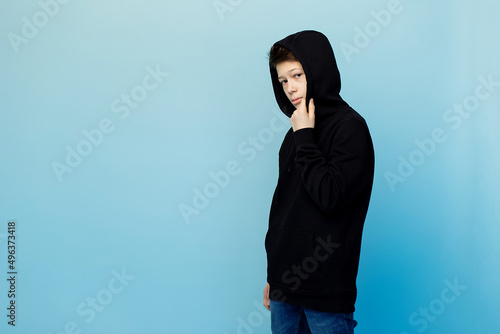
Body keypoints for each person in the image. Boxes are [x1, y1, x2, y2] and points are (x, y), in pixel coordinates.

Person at [262, 30, 375, 334]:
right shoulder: (295, 133)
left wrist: (305, 137)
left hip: (324, 288)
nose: (289, 87)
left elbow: (330, 196)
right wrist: (275, 277)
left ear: (317, 69)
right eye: (283, 80)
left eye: (297, 75)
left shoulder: (349, 128)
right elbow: (284, 208)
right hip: (285, 287)